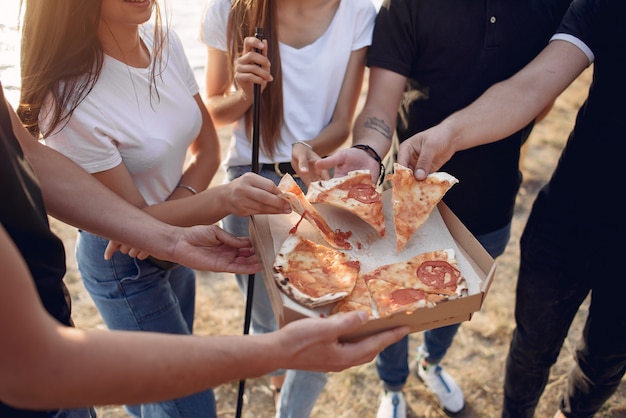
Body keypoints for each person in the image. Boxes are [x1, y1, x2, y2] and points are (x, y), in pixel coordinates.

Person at [0, 79, 409, 418]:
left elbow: (29, 153)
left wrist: (169, 238)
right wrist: (276, 352)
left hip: (58, 330)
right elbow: (31, 365)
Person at [18, 0, 293, 416]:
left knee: (158, 395)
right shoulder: (68, 96)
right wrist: (216, 201)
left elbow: (208, 148)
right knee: (190, 404)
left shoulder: (163, 40)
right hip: (124, 265)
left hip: (181, 242)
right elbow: (130, 227)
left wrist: (184, 213)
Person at [304, 0, 571, 416]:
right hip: (405, 204)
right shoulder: (405, 6)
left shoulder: (552, 6)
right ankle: (393, 387)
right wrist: (367, 150)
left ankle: (432, 362)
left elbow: (541, 95)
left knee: (453, 307)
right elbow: (379, 108)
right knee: (391, 309)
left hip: (492, 203)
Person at [391, 0, 626, 416]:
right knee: (530, 349)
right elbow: (533, 86)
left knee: (604, 363)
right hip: (571, 215)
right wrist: (450, 133)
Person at [201, 0, 376, 415]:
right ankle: (278, 378)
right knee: (266, 318)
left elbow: (341, 123)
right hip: (248, 182)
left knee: (324, 327)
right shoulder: (228, 9)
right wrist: (244, 94)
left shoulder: (358, 12)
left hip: (314, 180)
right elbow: (210, 110)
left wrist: (308, 149)